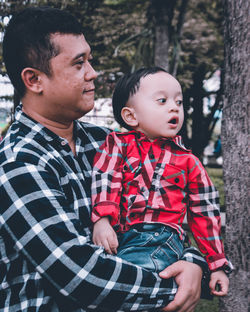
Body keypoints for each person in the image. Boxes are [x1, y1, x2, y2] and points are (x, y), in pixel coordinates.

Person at [0, 7, 209, 312]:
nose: (92, 73)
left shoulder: (109, 143)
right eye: (78, 63)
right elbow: (81, 276)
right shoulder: (18, 163)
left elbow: (164, 218)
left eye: (90, 59)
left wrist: (192, 263)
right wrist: (178, 285)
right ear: (34, 80)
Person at [91, 67, 233, 299]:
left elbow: (205, 213)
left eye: (179, 101)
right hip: (117, 236)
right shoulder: (117, 145)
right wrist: (102, 220)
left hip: (160, 237)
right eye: (162, 100)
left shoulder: (188, 161)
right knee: (103, 282)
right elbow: (106, 177)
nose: (174, 107)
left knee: (130, 283)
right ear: (131, 116)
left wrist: (217, 264)